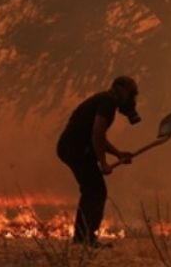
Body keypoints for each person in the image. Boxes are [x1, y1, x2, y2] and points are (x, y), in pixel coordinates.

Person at [56, 75, 141, 247]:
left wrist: (118, 154)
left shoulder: (105, 100)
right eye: (130, 94)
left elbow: (98, 136)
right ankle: (85, 239)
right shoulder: (107, 102)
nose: (131, 99)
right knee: (96, 191)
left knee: (92, 190)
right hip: (75, 148)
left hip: (73, 148)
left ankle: (82, 238)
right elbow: (97, 133)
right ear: (121, 90)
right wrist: (103, 162)